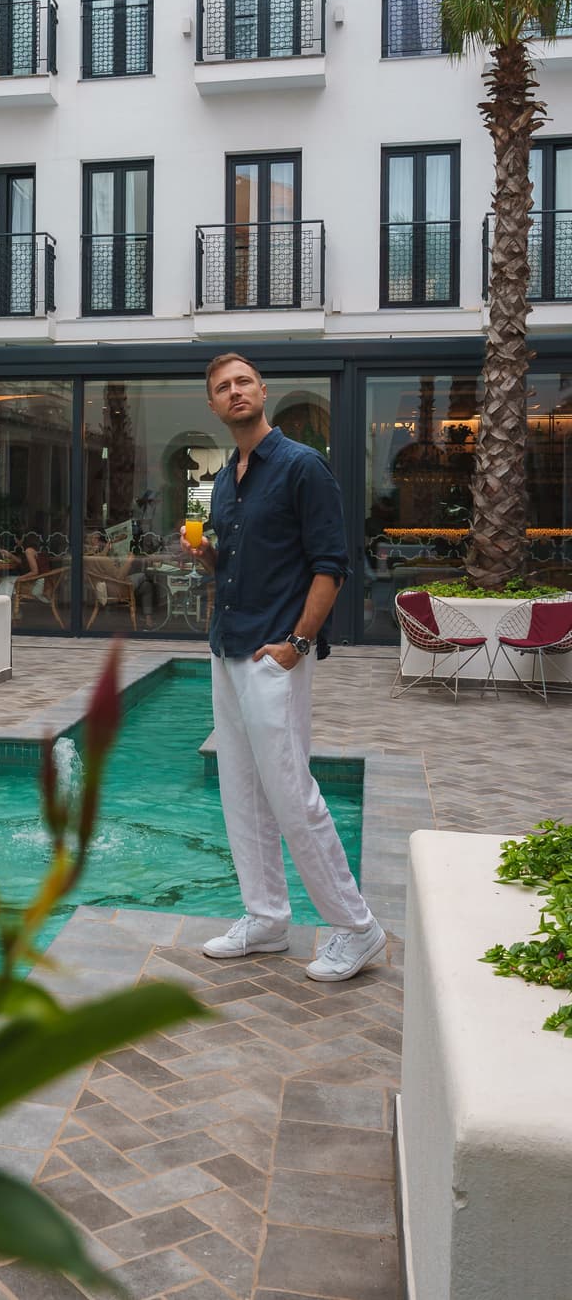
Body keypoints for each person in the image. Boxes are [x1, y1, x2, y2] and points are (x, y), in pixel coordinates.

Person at [185, 352, 386, 982]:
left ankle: (358, 928)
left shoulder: (302, 466)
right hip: (228, 646)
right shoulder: (224, 481)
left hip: (276, 653)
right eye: (223, 386)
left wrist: (296, 645)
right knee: (240, 792)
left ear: (262, 391)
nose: (235, 391)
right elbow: (235, 566)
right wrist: (205, 557)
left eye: (244, 380)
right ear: (213, 406)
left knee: (292, 794)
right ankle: (267, 919)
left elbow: (332, 565)